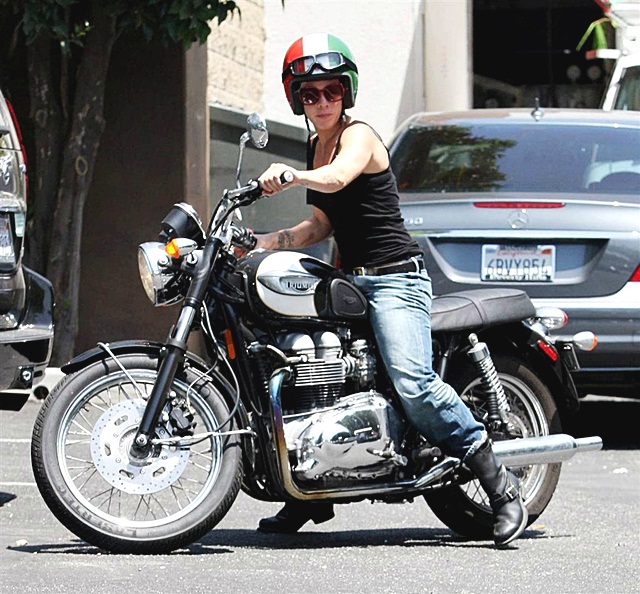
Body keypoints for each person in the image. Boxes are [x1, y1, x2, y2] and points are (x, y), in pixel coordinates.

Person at [253, 33, 527, 548]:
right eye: (309, 93)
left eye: (331, 90)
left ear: (347, 92)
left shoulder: (358, 136)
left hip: (396, 279)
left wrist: (291, 176)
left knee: (413, 383)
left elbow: (338, 178)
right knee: (306, 364)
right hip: (351, 279)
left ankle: (500, 485)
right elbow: (319, 225)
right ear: (296, 99)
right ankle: (312, 488)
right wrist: (262, 241)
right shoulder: (315, 145)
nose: (321, 101)